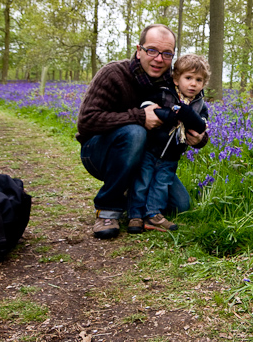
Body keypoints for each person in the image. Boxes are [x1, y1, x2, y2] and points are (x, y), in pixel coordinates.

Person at [76, 24, 208, 239]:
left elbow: (191, 117)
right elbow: (87, 122)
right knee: (135, 132)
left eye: (167, 54)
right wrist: (139, 117)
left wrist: (200, 139)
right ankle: (108, 209)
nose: (158, 59)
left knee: (180, 205)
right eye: (152, 50)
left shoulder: (172, 82)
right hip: (99, 153)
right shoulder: (113, 74)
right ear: (139, 50)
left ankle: (132, 193)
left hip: (149, 157)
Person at [128, 54, 210, 233]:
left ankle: (153, 215)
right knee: (142, 181)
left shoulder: (199, 104)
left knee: (161, 185)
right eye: (188, 78)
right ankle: (135, 215)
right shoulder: (165, 92)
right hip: (150, 149)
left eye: (199, 80)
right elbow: (147, 107)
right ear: (176, 78)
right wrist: (170, 115)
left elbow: (202, 125)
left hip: (172, 156)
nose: (193, 84)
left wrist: (188, 115)